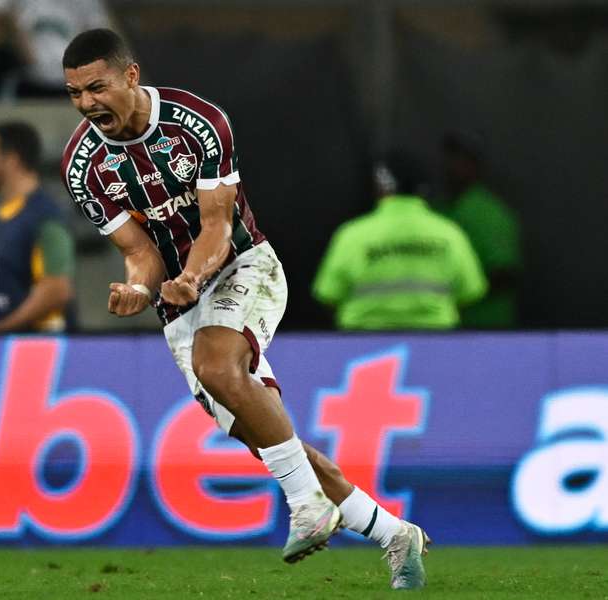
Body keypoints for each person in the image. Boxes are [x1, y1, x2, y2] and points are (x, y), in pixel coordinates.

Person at [60, 29, 430, 590]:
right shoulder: (82, 166)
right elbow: (139, 253)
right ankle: (391, 533)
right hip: (178, 303)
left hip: (242, 266)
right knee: (266, 438)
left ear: (130, 76)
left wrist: (190, 277)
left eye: (96, 87)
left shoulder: (197, 123)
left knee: (218, 368)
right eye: (74, 94)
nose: (87, 104)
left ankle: (307, 505)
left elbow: (216, 225)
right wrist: (137, 288)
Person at [313, 150, 488, 330]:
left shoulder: (352, 235)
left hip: (362, 342)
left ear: (379, 187)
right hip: (435, 341)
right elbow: (471, 292)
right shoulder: (450, 234)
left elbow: (328, 295)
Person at [0, 120, 74, 332]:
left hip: (36, 350)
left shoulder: (45, 218)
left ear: (11, 160)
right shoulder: (7, 213)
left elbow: (57, 289)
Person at [441, 130, 521, 328]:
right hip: (448, 329)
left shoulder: (491, 214)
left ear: (476, 165)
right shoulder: (440, 209)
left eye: (462, 159)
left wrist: (461, 294)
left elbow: (504, 274)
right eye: (450, 157)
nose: (452, 166)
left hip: (486, 328)